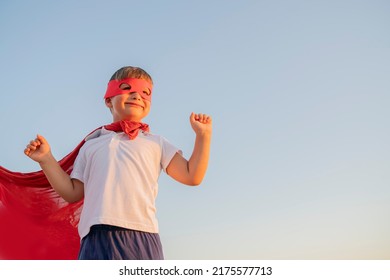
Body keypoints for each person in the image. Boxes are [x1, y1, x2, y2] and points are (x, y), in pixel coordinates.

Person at [23, 66, 212, 260]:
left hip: (141, 234)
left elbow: (192, 175)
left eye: (144, 93)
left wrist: (203, 136)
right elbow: (72, 192)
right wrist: (46, 159)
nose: (137, 96)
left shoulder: (157, 142)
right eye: (127, 89)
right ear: (108, 100)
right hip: (95, 236)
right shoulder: (91, 145)